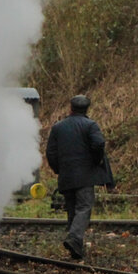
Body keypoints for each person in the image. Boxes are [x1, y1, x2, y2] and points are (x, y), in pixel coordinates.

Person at [46, 95, 108, 261]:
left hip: (66, 176)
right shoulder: (90, 125)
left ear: (70, 108)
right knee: (84, 207)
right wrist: (96, 160)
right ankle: (74, 238)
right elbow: (99, 144)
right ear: (87, 109)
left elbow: (50, 152)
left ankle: (76, 249)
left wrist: (58, 169)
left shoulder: (58, 127)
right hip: (85, 176)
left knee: (73, 210)